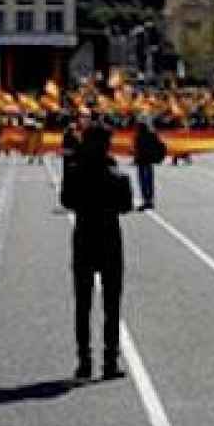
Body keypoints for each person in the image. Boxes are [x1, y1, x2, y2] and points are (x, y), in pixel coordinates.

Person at [59, 118, 131, 381]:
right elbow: (125, 206)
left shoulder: (76, 171)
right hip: (110, 240)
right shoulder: (115, 175)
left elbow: (67, 201)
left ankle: (84, 361)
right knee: (112, 305)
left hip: (84, 239)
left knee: (83, 304)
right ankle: (110, 361)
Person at [132, 119, 167, 211]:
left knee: (143, 182)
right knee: (148, 181)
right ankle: (149, 200)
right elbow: (161, 145)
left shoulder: (139, 136)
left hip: (143, 161)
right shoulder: (151, 135)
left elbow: (137, 149)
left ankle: (147, 200)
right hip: (148, 161)